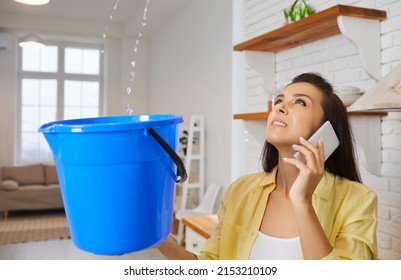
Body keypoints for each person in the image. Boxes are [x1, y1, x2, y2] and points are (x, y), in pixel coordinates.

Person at [157, 72, 378, 260]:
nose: (280, 106)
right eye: (280, 100)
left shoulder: (358, 201)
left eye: (300, 102)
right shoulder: (239, 191)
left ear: (326, 131)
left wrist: (303, 203)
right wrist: (160, 240)